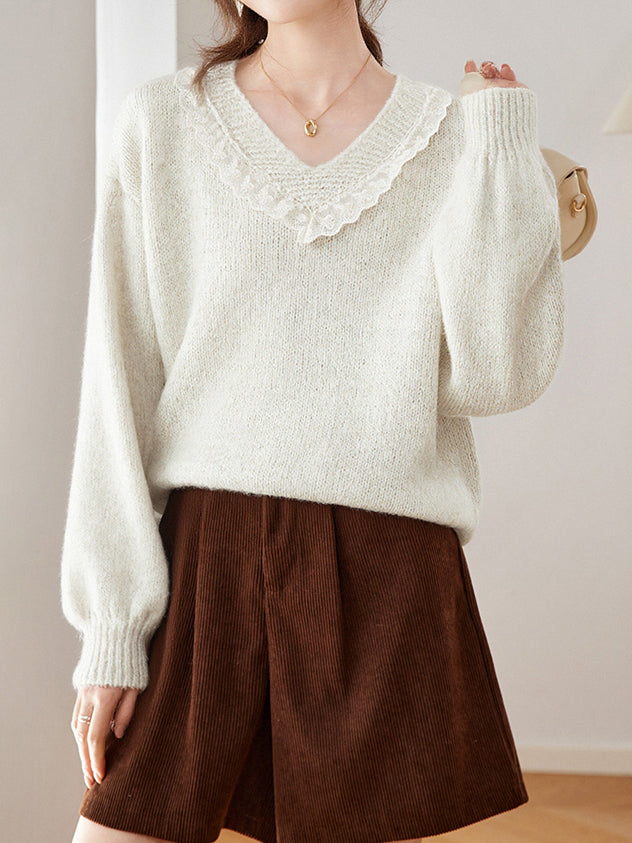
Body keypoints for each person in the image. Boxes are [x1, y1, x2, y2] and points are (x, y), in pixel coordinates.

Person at [62, 1, 565, 842]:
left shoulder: (453, 135)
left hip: (388, 568)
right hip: (208, 558)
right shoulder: (164, 122)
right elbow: (117, 388)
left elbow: (499, 373)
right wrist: (112, 630)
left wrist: (501, 145)